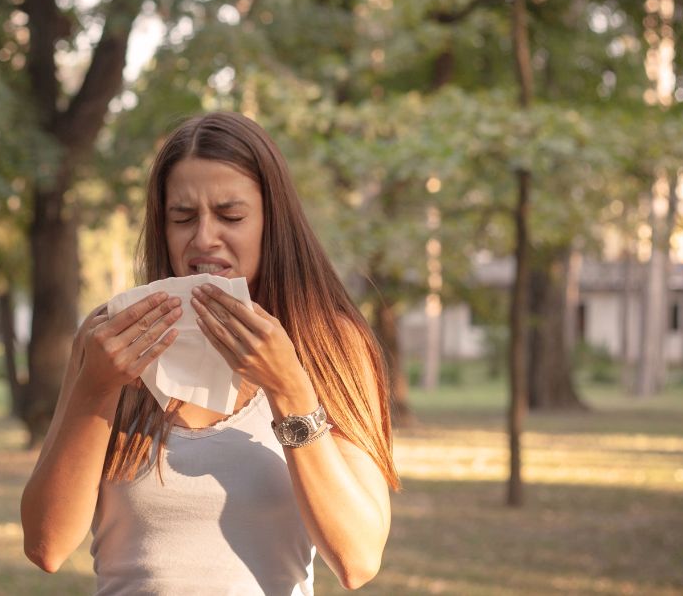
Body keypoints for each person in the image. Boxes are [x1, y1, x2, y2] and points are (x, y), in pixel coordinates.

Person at [20, 111, 399, 594]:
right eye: (182, 218)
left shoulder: (331, 346)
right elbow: (46, 545)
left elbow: (359, 560)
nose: (203, 238)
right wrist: (95, 388)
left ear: (272, 221)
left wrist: (289, 388)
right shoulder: (110, 338)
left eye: (230, 215)